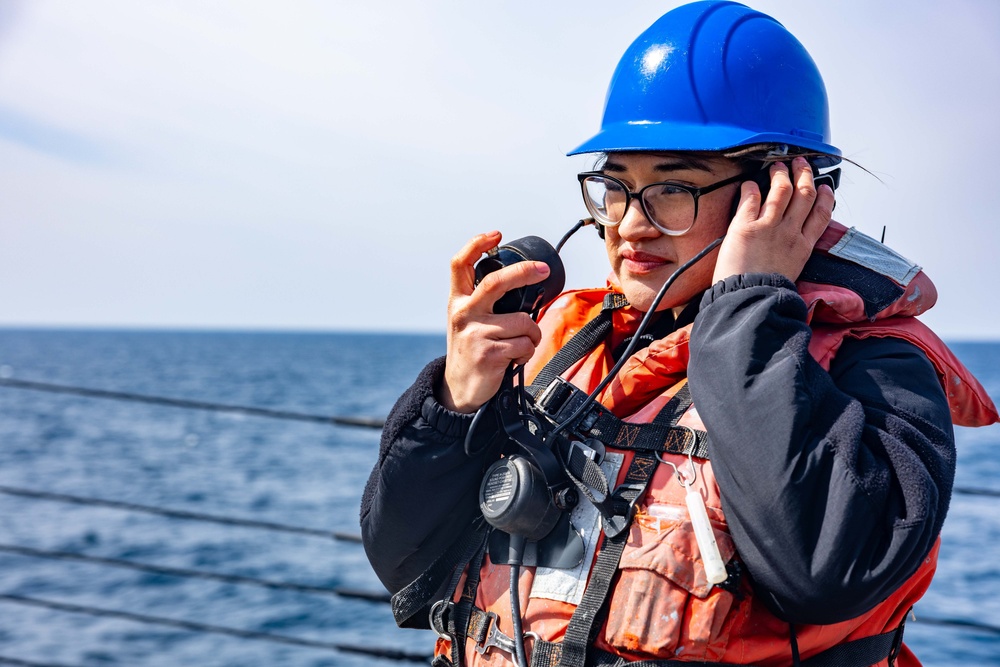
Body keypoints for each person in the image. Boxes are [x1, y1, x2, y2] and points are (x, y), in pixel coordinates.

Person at [361, 2, 999, 666]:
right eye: (615, 185)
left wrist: (748, 309)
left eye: (672, 188)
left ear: (789, 193)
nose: (629, 224)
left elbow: (825, 568)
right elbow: (402, 561)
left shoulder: (881, 367)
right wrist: (455, 403)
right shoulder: (558, 340)